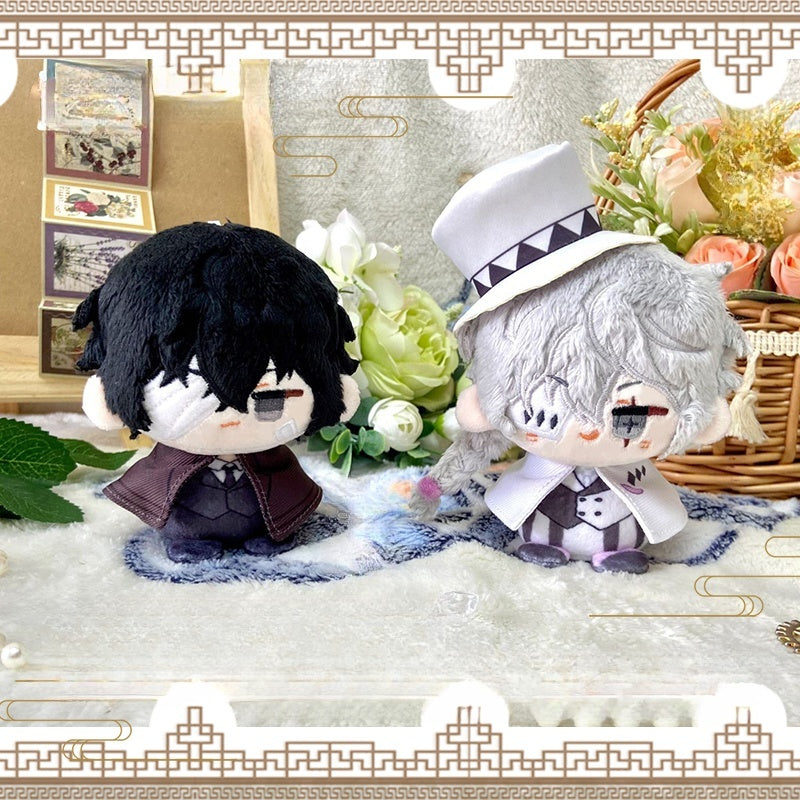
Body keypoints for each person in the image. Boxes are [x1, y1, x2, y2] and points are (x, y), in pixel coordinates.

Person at [413, 143, 747, 573]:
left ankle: (618, 550)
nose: (589, 430)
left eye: (630, 416)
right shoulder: (501, 390)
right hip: (545, 524)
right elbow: (476, 447)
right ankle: (550, 544)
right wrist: (431, 487)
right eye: (548, 412)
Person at [74, 221, 360, 563]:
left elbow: (288, 485)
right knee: (188, 529)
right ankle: (189, 539)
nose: (231, 416)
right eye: (197, 389)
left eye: (268, 397)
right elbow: (156, 481)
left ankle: (272, 531)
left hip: (263, 523)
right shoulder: (173, 456)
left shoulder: (272, 458)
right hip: (189, 522)